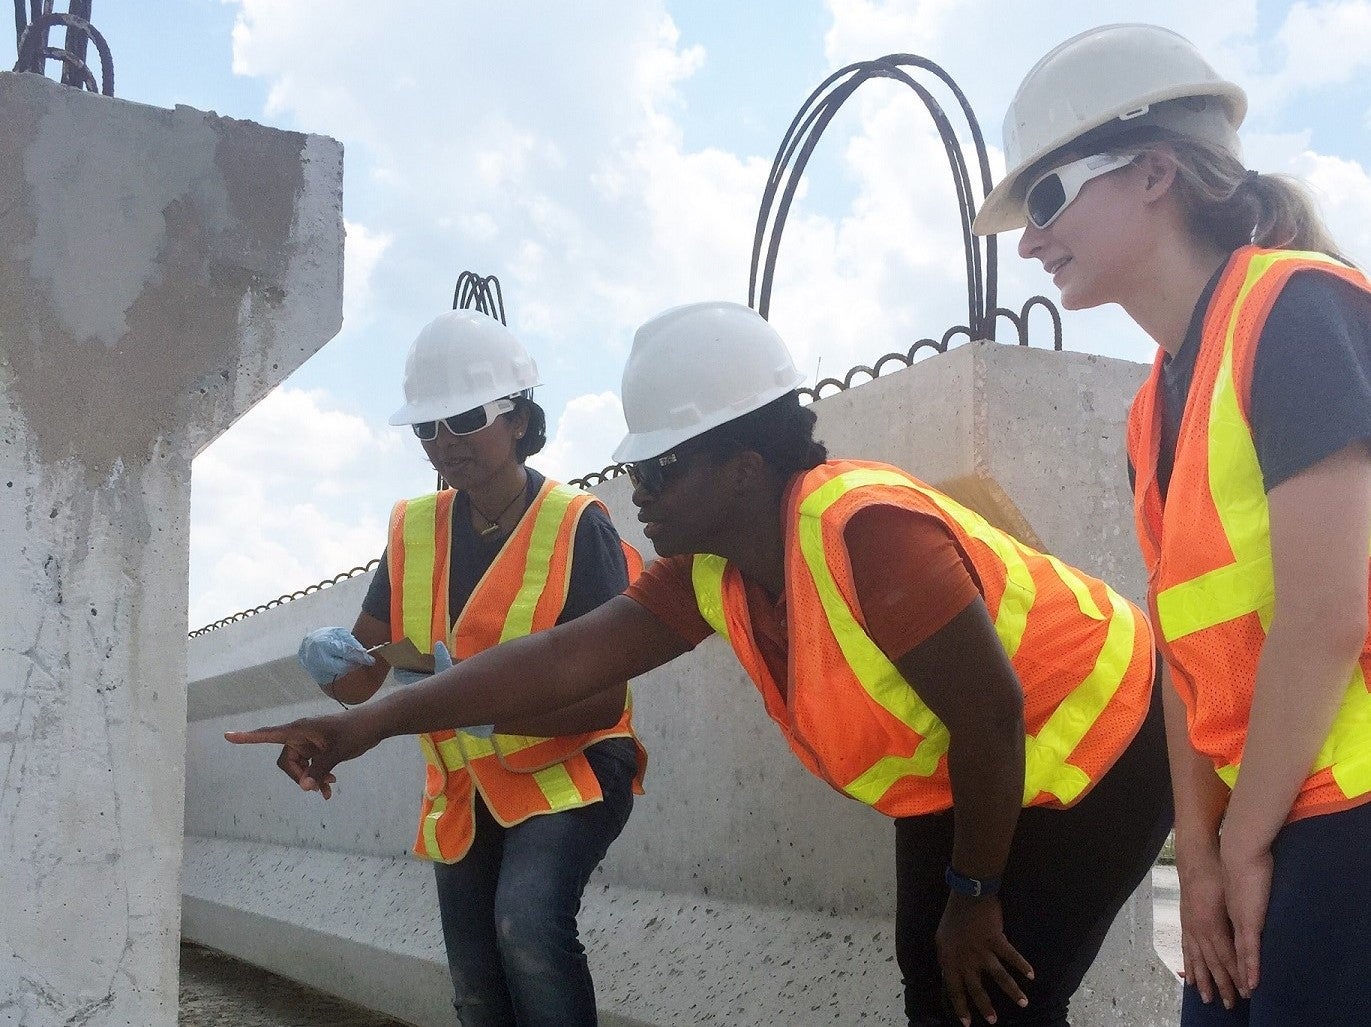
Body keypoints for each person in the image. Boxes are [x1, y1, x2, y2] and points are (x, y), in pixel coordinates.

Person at [229, 300, 1172, 1027]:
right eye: (637, 471)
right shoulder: (712, 570)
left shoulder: (867, 529)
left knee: (991, 996)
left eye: (662, 469)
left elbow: (992, 713)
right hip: (970, 772)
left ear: (746, 467)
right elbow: (559, 659)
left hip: (1112, 747)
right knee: (934, 984)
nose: (639, 493)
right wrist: (366, 722)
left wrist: (975, 893)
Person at [973, 23, 1371, 1027]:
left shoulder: (1298, 309)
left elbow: (1326, 614)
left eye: (1049, 199)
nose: (1029, 241)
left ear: (1156, 172)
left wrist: (1237, 847)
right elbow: (1184, 651)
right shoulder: (1155, 405)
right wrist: (1197, 852)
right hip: (1270, 819)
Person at [290, 308, 647, 1027]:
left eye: (462, 418)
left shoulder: (579, 524)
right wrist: (327, 660)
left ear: (517, 417)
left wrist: (483, 708)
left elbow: (602, 703)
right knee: (477, 987)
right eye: (426, 428)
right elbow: (362, 678)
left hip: (571, 765)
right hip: (465, 783)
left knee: (528, 923)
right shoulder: (413, 530)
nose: (443, 443)